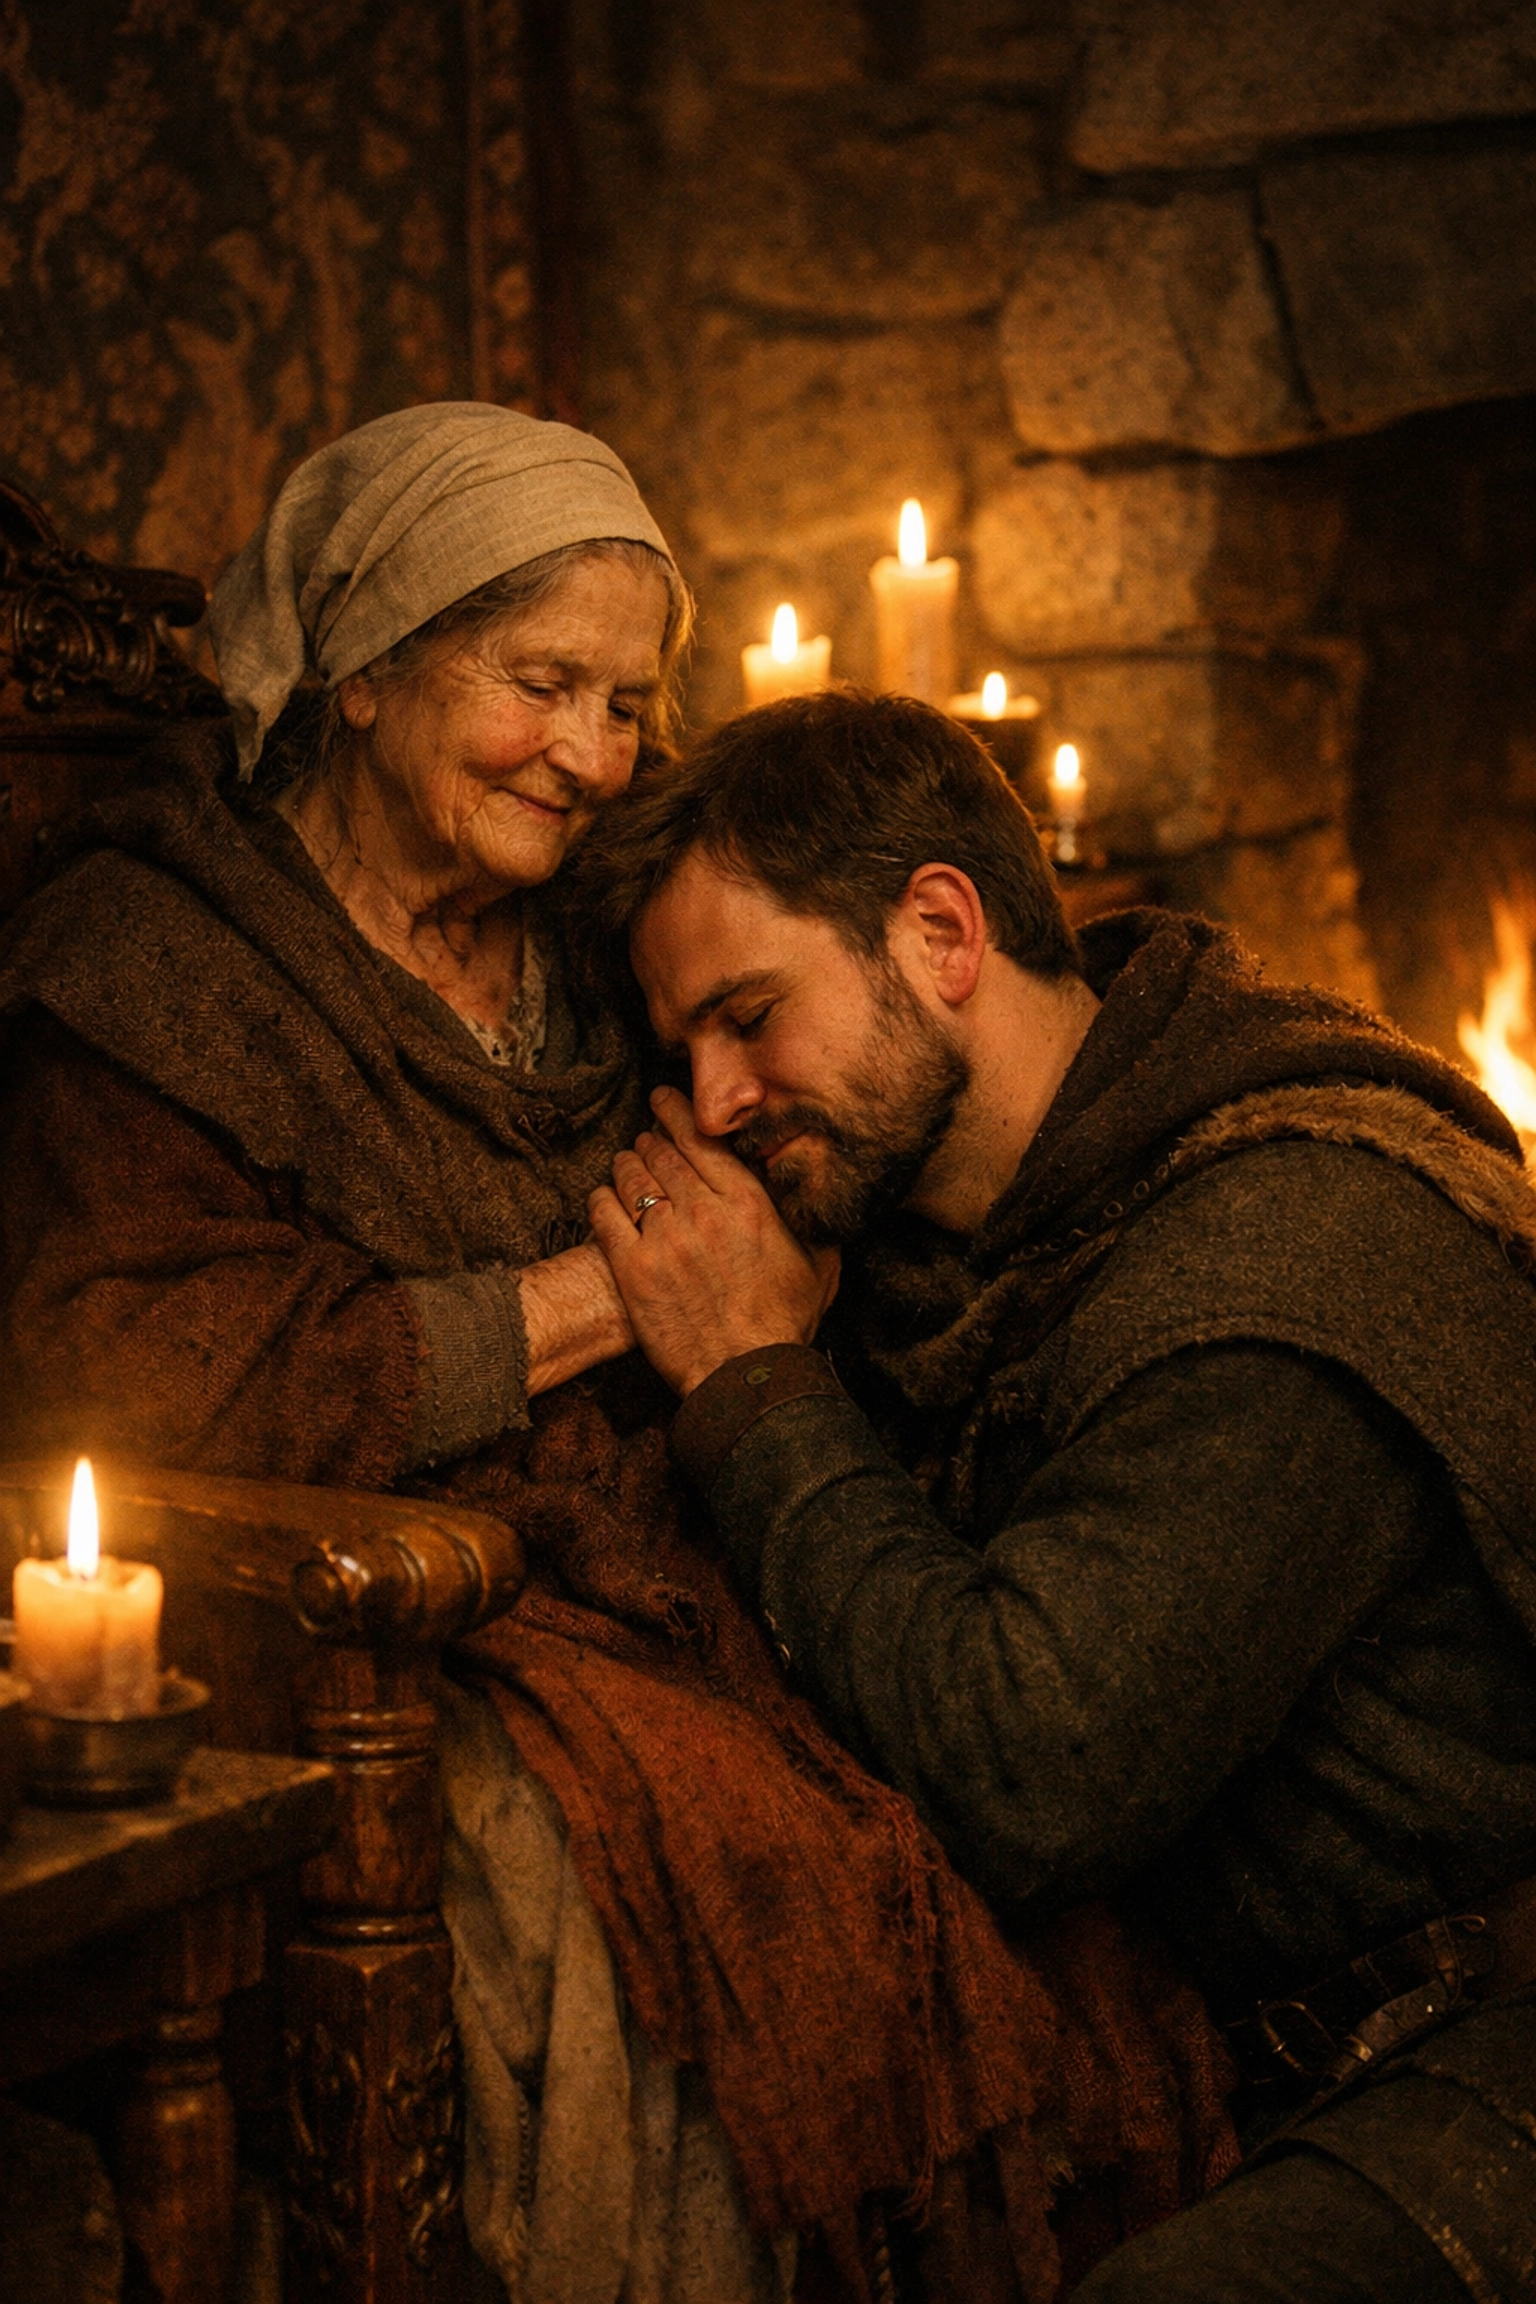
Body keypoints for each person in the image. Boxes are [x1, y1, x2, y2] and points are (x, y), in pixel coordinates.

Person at [0, 417, 1236, 2304]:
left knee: (1040, 1860)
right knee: (686, 1901)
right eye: (542, 685)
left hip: (694, 1544)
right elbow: (137, 1367)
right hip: (390, 1631)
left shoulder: (603, 927)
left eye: (626, 698)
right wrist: (616, 1297)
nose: (593, 753)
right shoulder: (154, 964)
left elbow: (813, 1158)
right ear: (366, 667)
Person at [586, 687, 1536, 2304]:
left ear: (943, 931)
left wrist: (752, 1381)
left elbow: (1032, 1767)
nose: (721, 1098)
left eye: (750, 1016)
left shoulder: (1286, 1250)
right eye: (688, 1052)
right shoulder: (963, 1248)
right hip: (1244, 2034)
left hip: (1480, 2041)